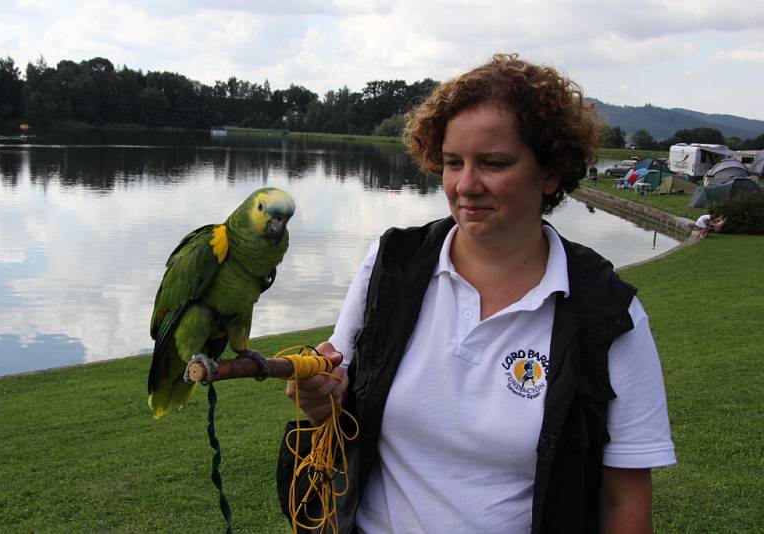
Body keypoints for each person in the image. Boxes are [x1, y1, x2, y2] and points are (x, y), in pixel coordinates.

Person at [280, 53, 676, 534]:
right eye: (452, 163)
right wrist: (321, 399)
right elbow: (338, 407)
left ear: (550, 172)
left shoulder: (607, 310)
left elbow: (623, 496)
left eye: (493, 163)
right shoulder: (391, 265)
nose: (466, 186)